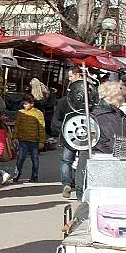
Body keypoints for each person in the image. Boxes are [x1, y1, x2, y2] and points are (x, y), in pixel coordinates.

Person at [52, 67, 88, 199]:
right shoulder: (89, 102)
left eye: (71, 76)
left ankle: (67, 183)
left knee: (66, 161)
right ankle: (79, 189)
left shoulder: (63, 101)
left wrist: (64, 129)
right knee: (82, 163)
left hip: (70, 136)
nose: (69, 79)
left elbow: (56, 120)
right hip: (84, 135)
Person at [13, 94, 46, 183]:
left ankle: (34, 176)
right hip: (22, 140)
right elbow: (17, 125)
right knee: (20, 158)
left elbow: (42, 128)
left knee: (35, 159)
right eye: (24, 104)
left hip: (34, 141)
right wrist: (15, 137)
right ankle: (16, 175)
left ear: (32, 104)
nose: (24, 105)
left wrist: (42, 141)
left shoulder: (38, 113)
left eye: (26, 104)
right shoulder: (20, 113)